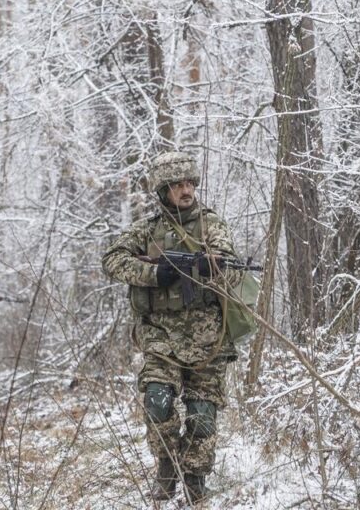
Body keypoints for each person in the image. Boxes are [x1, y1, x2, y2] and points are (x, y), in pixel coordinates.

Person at [101, 151, 257, 504]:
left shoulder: (210, 223)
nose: (186, 191)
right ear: (163, 191)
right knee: (157, 401)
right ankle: (166, 469)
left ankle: (195, 477)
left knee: (202, 416)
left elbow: (227, 260)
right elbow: (112, 259)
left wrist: (210, 265)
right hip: (159, 335)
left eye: (189, 184)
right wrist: (155, 273)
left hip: (207, 337)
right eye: (177, 186)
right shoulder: (147, 229)